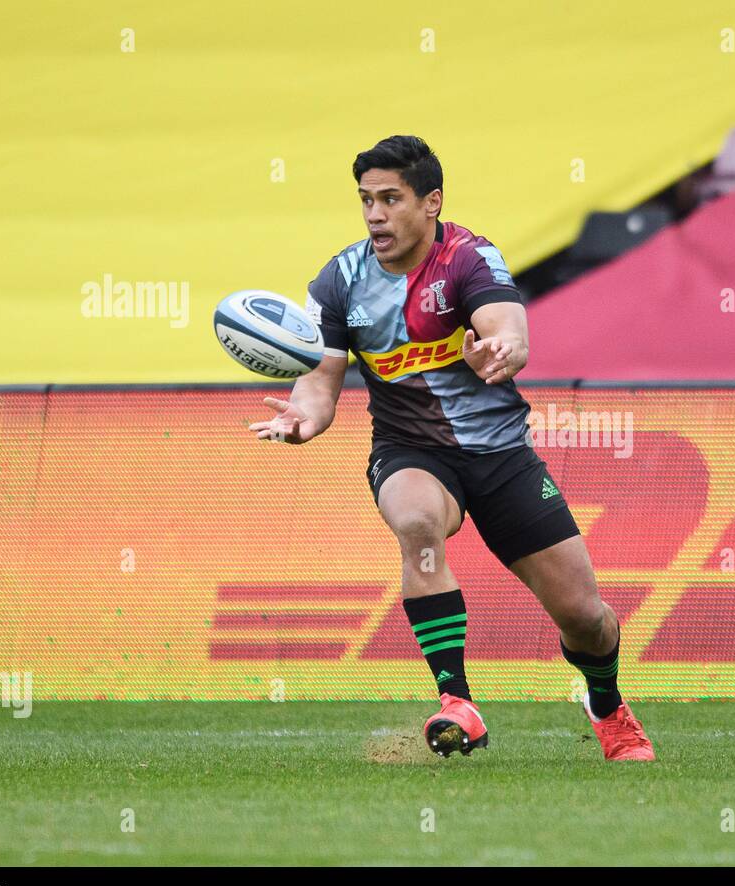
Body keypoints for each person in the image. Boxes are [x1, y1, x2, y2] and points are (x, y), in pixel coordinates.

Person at [249, 135, 653, 761]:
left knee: (587, 618)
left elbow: (509, 333)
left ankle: (605, 703)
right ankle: (456, 701)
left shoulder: (469, 258)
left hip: (501, 456)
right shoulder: (338, 281)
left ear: (431, 202)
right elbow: (320, 388)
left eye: (390, 199)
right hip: (410, 449)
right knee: (415, 520)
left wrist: (500, 351)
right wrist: (301, 419)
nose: (374, 214)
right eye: (365, 200)